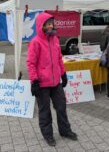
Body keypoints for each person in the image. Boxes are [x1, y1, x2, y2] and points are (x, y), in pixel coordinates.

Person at [27, 12, 77, 147]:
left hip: (56, 83)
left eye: (52, 23)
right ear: (41, 26)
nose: (50, 26)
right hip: (42, 84)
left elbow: (59, 59)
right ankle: (48, 135)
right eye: (47, 24)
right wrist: (34, 81)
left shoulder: (55, 39)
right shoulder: (36, 42)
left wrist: (63, 74)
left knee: (61, 107)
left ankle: (65, 130)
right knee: (45, 111)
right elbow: (30, 63)